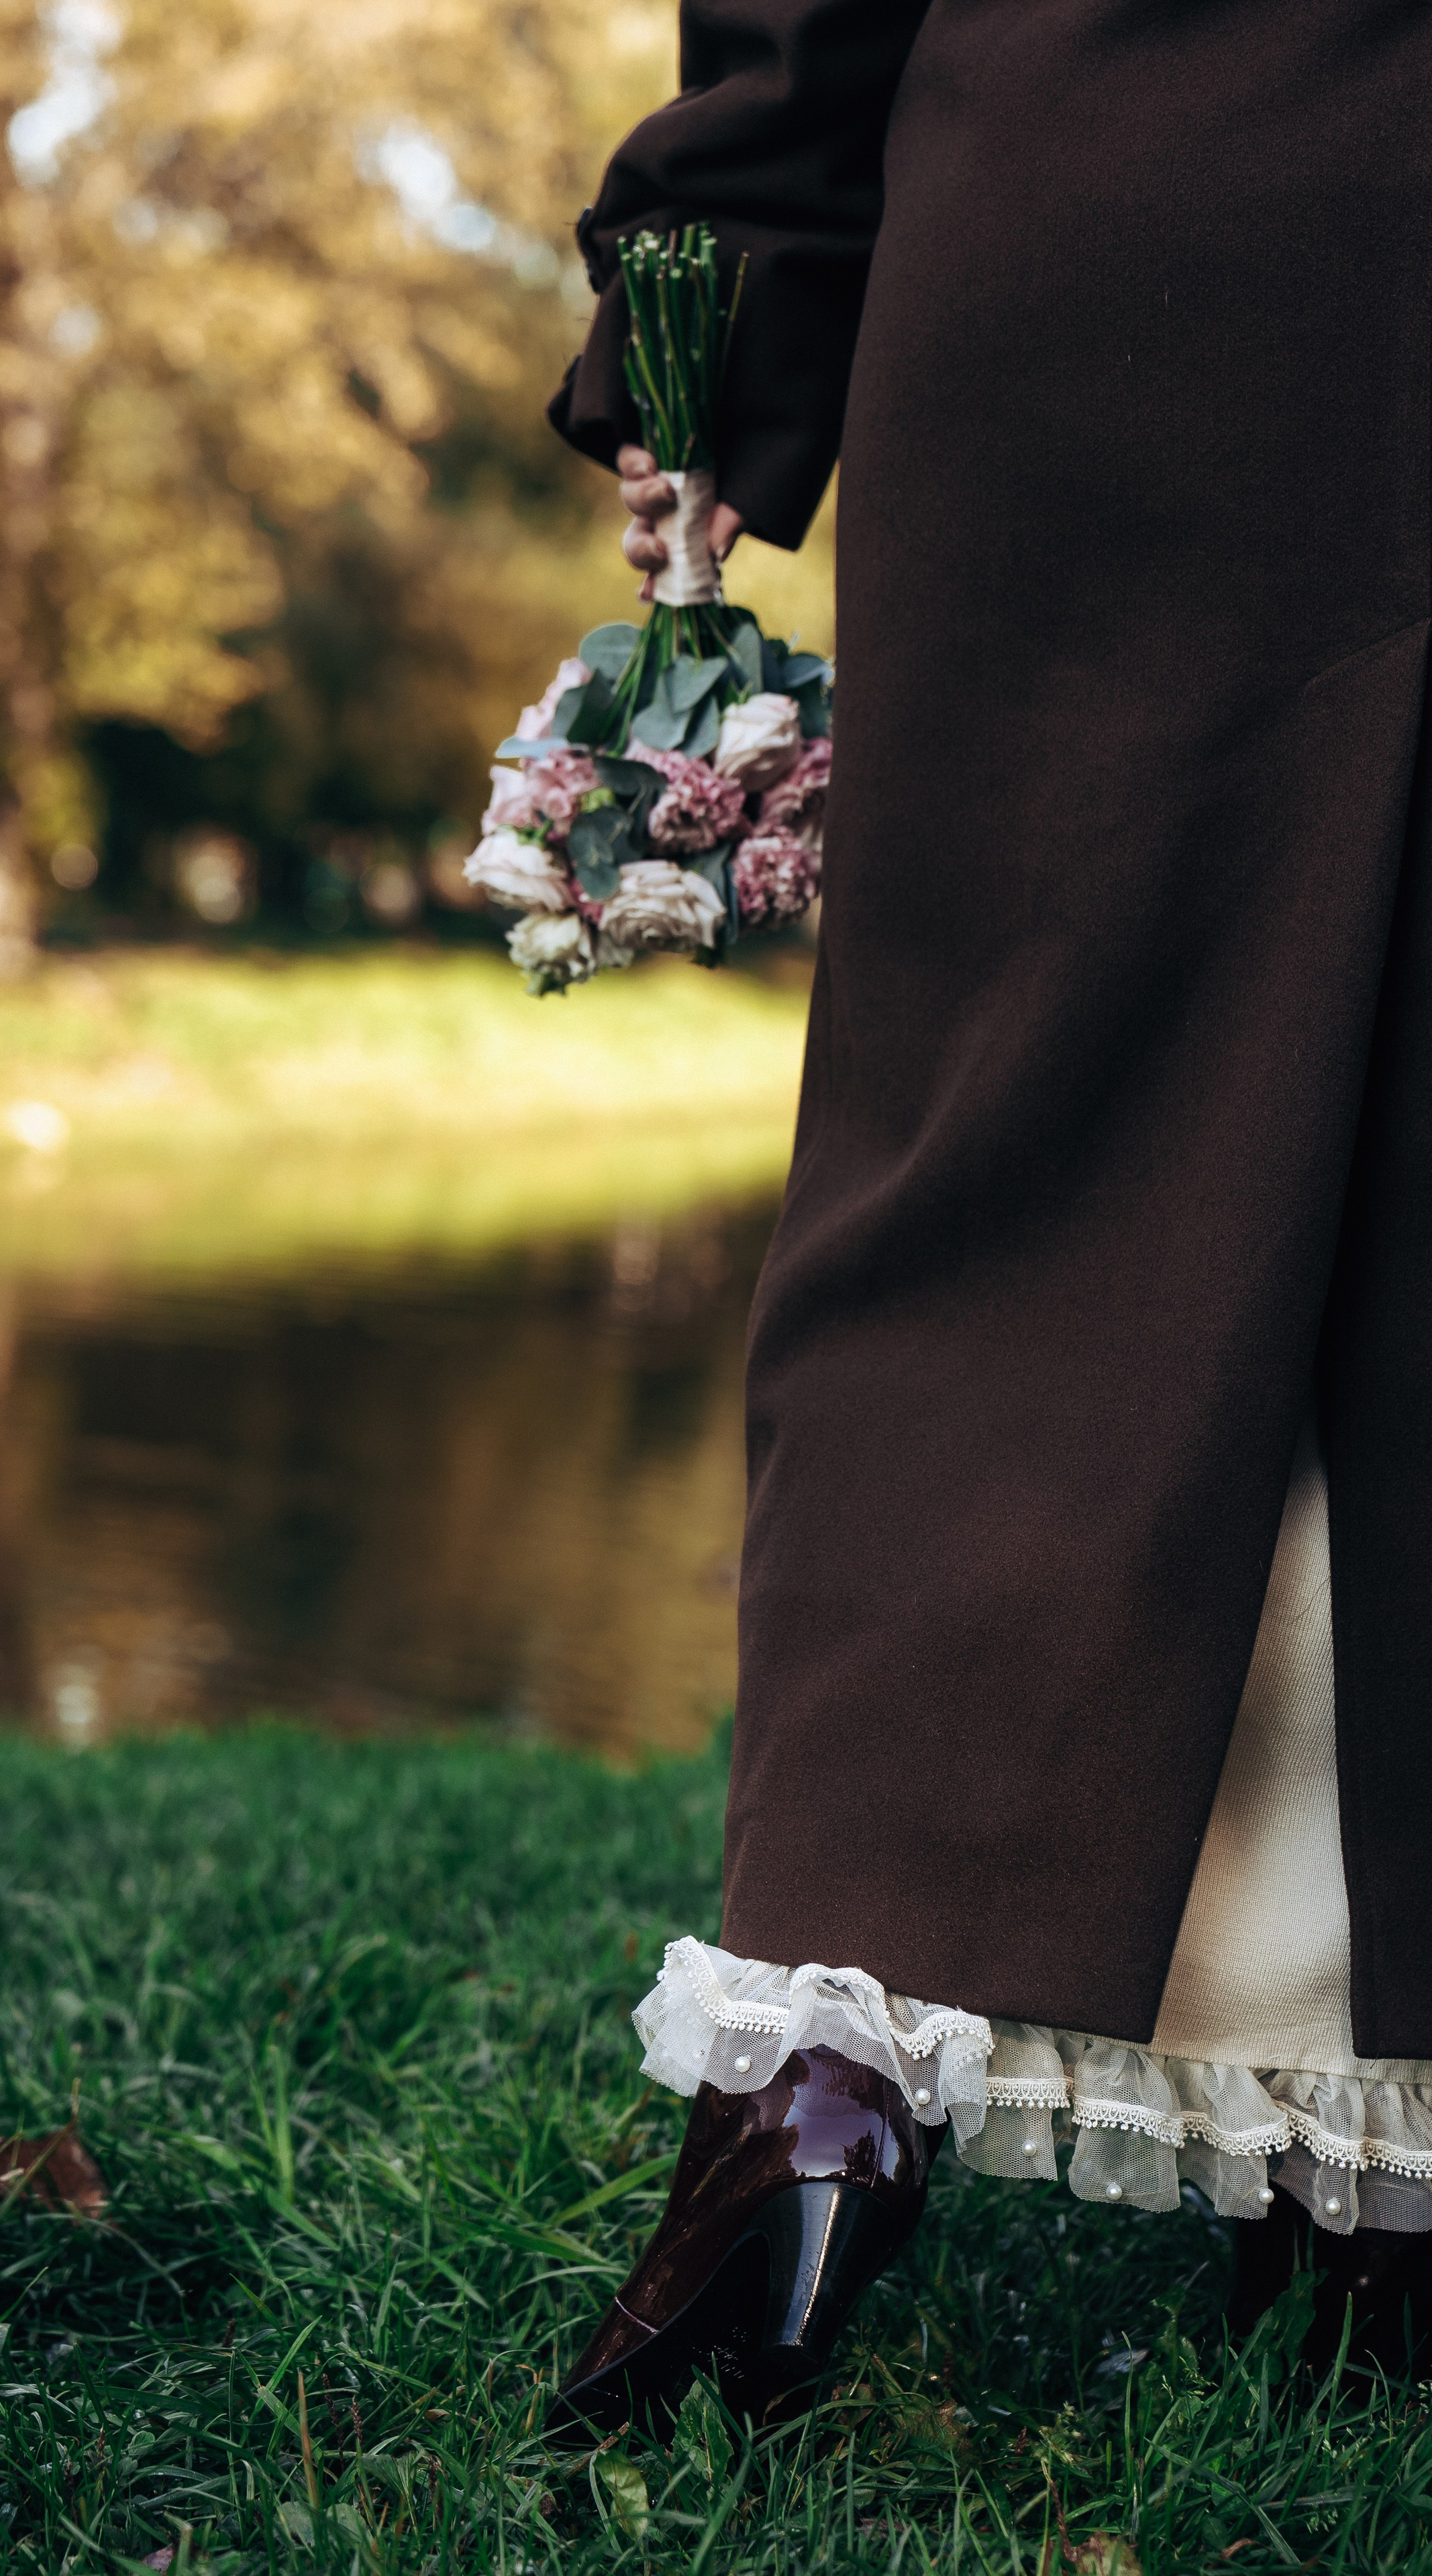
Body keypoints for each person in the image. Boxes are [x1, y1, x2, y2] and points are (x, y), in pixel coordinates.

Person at [542, 0, 1432, 2434]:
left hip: (1118, 214)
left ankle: (819, 2098)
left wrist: (707, 321)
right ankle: (1369, 2184)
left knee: (1009, 1159)